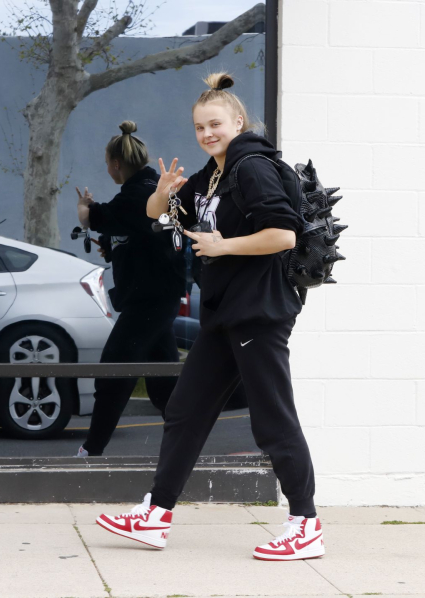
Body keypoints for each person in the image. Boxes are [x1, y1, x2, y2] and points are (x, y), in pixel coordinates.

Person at [96, 76, 324, 561]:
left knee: (272, 419)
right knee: (184, 409)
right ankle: (155, 516)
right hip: (225, 315)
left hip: (258, 313)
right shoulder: (212, 175)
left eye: (215, 124)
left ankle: (305, 523)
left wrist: (224, 245)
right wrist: (161, 191)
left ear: (237, 122)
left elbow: (282, 235)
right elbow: (158, 214)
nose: (207, 133)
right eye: (200, 126)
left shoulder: (252, 168)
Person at [75, 121, 185, 457]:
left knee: (113, 372)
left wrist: (85, 212)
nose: (107, 169)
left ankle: (90, 452)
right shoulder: (148, 188)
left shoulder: (138, 194)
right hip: (157, 298)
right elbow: (138, 234)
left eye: (108, 163)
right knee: (164, 385)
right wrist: (113, 246)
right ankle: (185, 451)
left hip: (148, 301)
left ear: (117, 164)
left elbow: (101, 217)